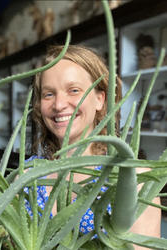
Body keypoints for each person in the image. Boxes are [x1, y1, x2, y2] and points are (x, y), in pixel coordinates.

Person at [26, 45, 161, 249]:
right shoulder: (27, 176)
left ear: (100, 99)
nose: (59, 104)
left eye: (74, 90)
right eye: (48, 94)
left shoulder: (134, 179)